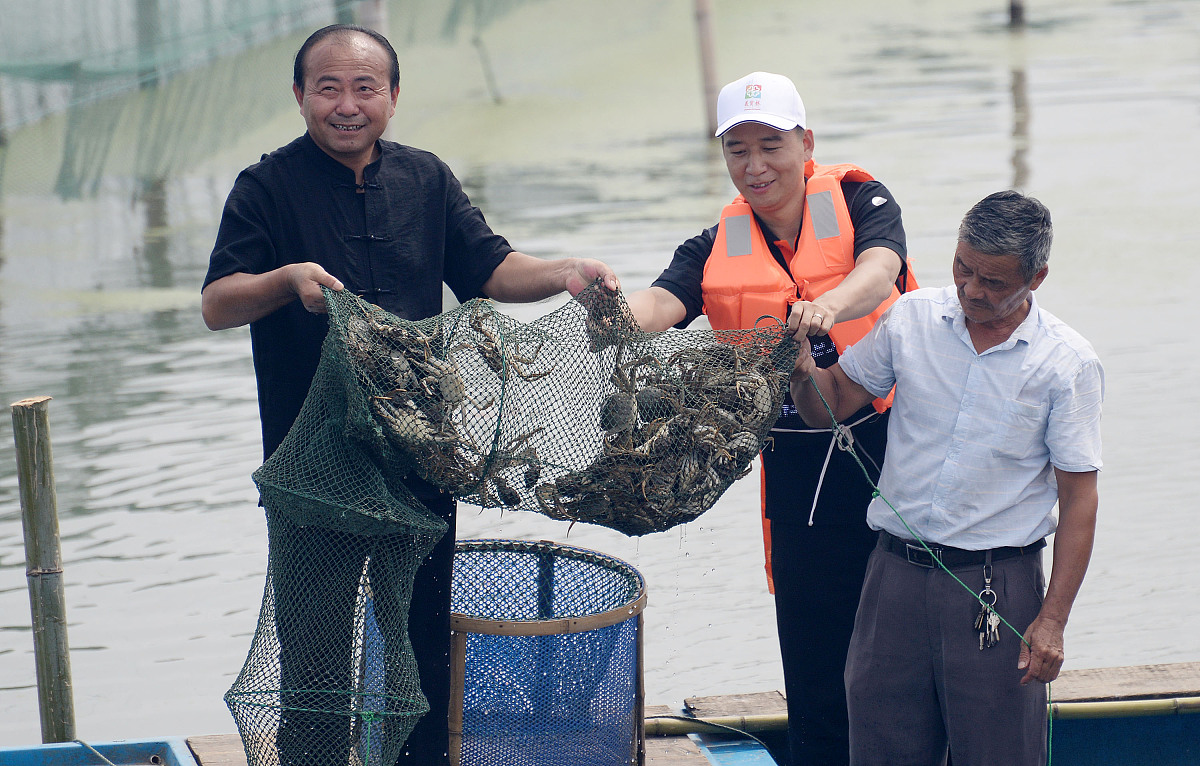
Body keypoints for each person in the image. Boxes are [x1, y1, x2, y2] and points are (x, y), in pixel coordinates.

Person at [201, 23, 617, 766]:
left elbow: (492, 269)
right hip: (313, 468)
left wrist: (563, 273)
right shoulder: (265, 188)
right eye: (328, 88)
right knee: (316, 658)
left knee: (425, 644)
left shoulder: (426, 179)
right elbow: (218, 303)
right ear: (299, 95)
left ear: (393, 97)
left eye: (365, 88)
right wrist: (286, 280)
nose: (347, 105)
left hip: (421, 454)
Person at [625, 71, 914, 765]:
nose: (755, 166)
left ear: (806, 143)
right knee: (814, 654)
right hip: (797, 463)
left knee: (901, 641)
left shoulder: (862, 200)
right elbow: (660, 305)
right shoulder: (713, 247)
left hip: (893, 445)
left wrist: (829, 306)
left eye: (771, 145)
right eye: (737, 150)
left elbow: (883, 267)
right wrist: (609, 312)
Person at [789, 191, 1103, 765]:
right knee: (880, 749)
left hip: (997, 587)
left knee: (999, 754)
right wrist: (801, 371)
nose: (972, 289)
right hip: (893, 579)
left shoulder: (1067, 363)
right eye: (963, 268)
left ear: (1037, 278)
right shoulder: (911, 318)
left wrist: (1052, 620)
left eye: (994, 281)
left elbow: (1079, 500)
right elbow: (830, 403)